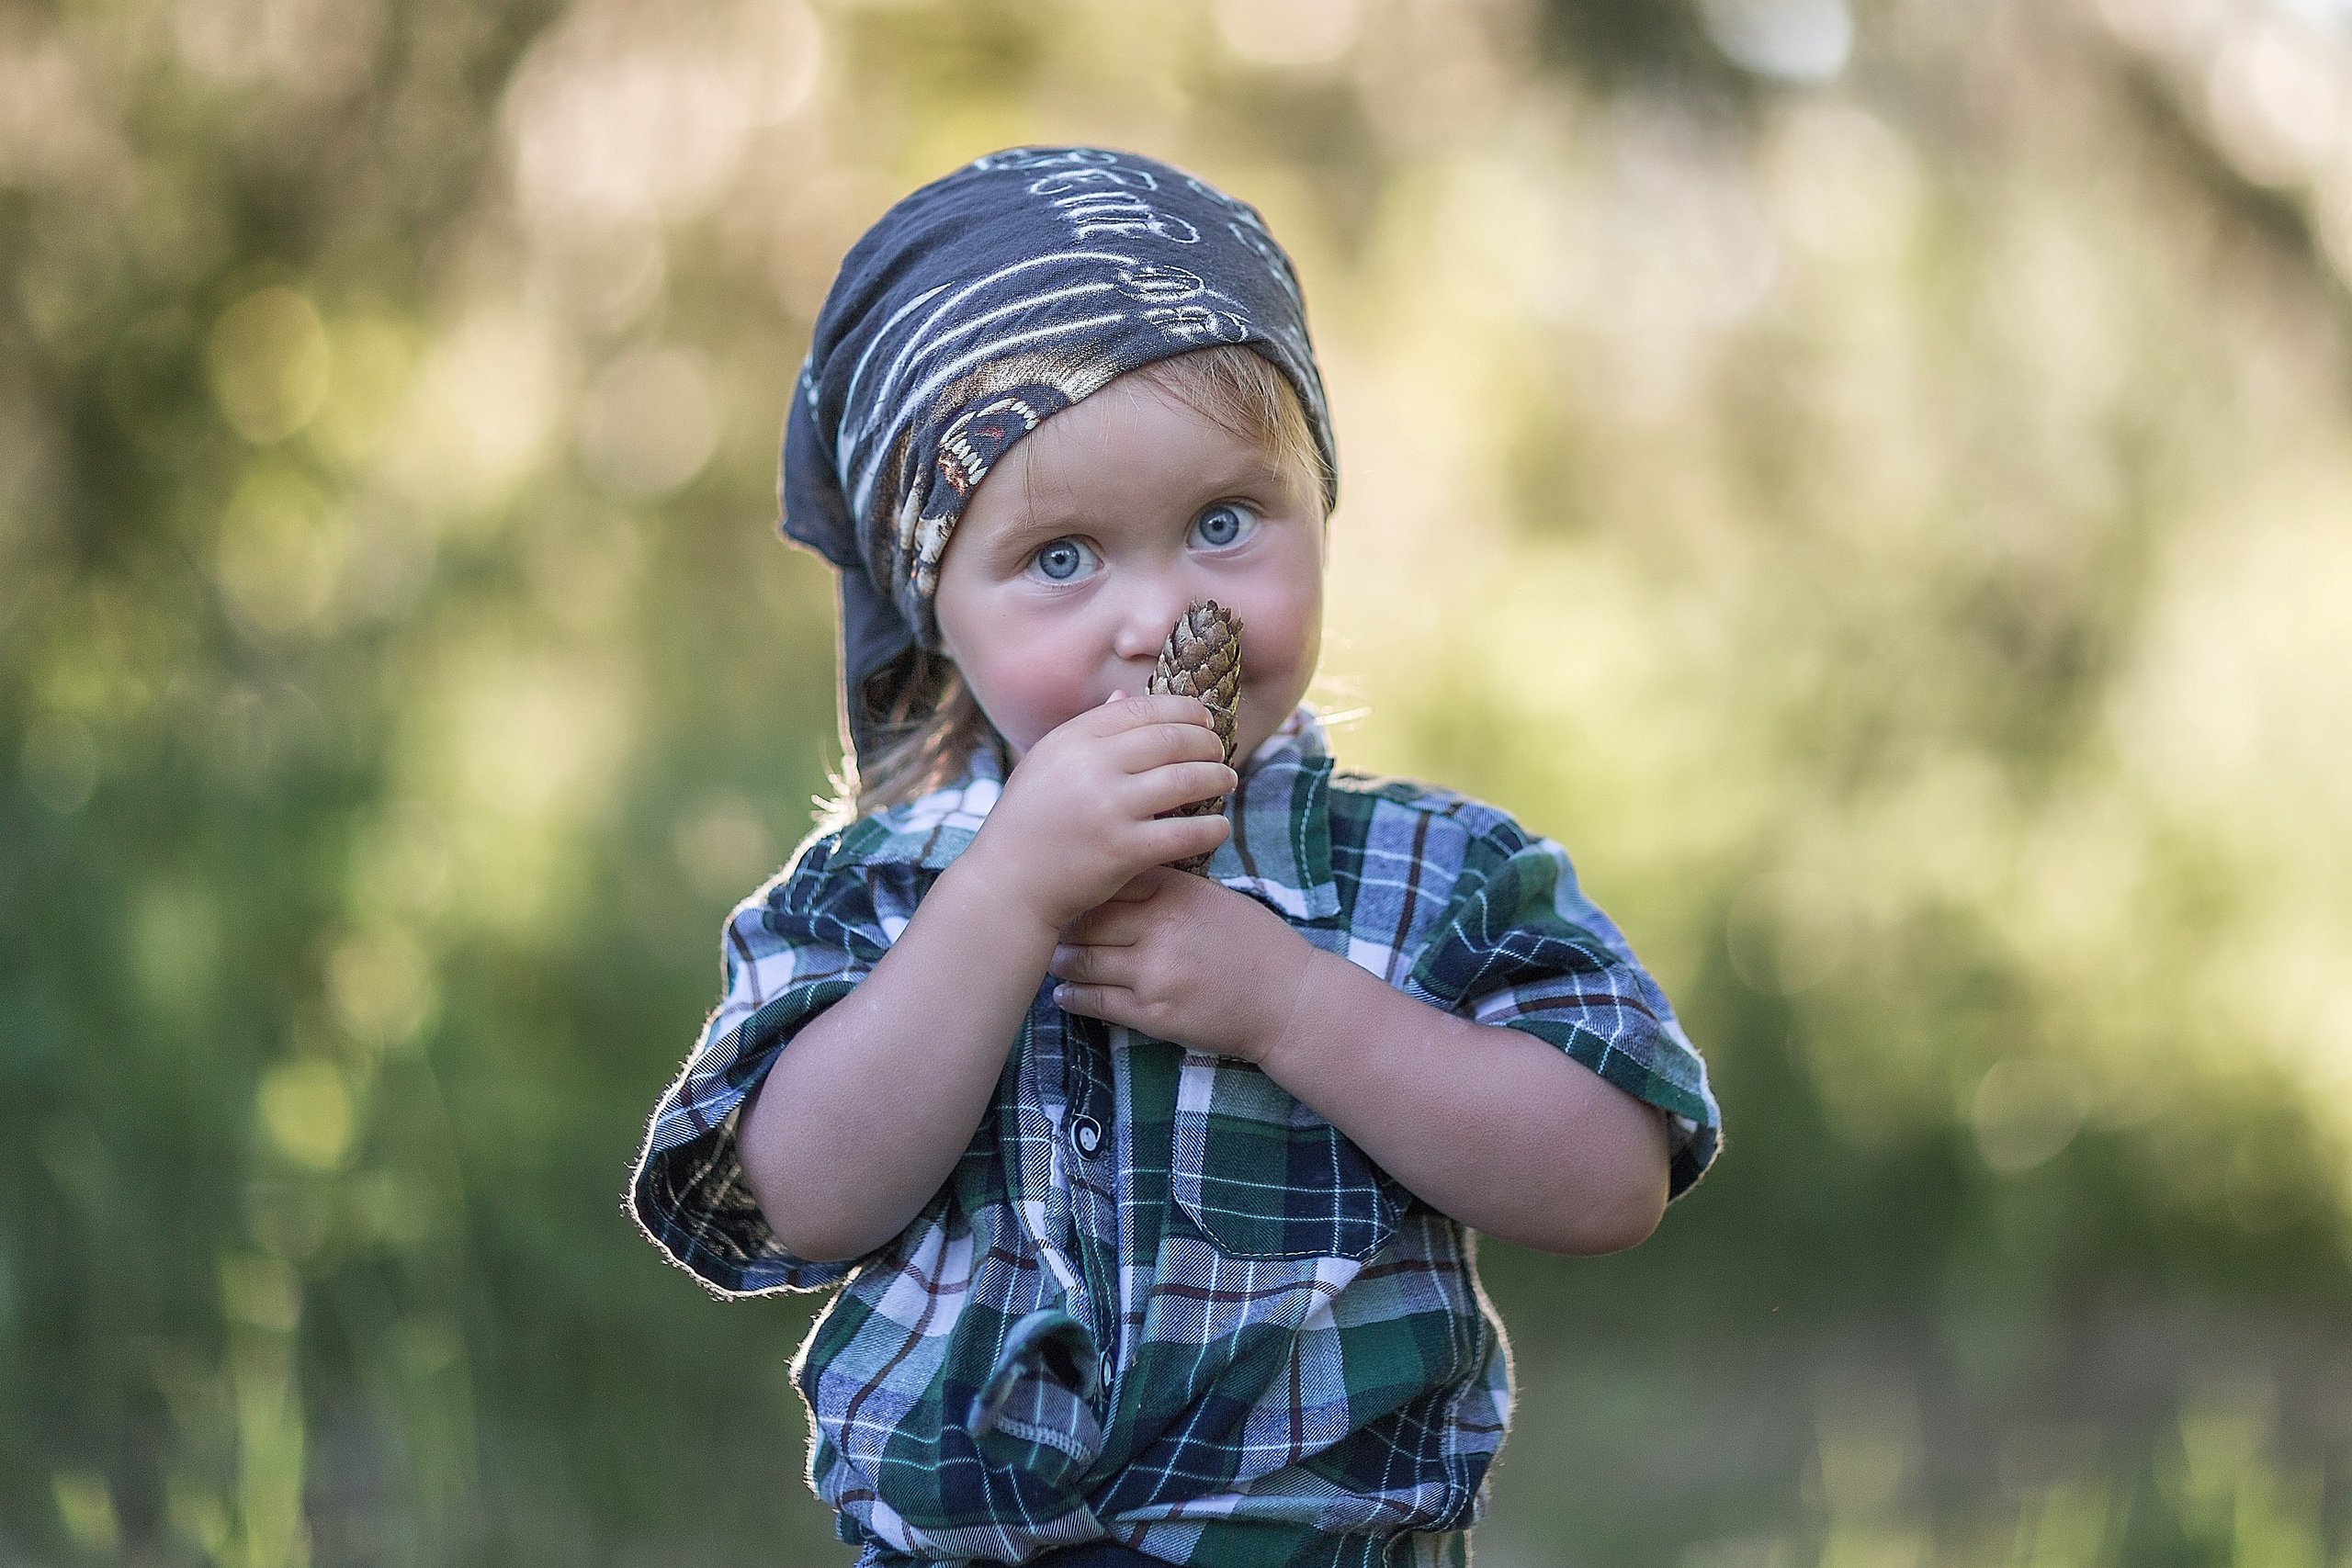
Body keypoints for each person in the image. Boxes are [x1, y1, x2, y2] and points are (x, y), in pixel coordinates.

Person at [629, 147, 1720, 1568]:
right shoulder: (877, 896)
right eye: (1064, 557)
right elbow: (801, 1200)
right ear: (935, 605)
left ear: (1319, 515)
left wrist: (1296, 1006)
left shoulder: (1433, 876)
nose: (1160, 613)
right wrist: (1007, 895)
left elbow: (1611, 1180)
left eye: (1224, 524)